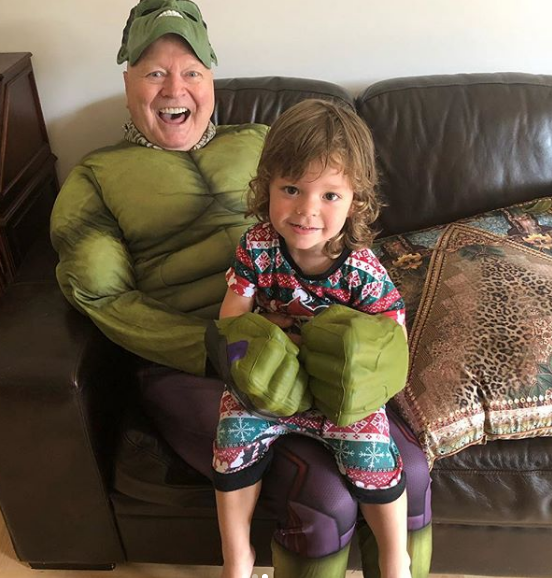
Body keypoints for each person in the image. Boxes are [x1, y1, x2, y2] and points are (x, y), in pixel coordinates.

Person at [49, 1, 432, 576]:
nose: (174, 88)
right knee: (323, 494)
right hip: (198, 361)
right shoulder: (95, 177)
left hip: (311, 341)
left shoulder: (263, 140)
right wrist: (217, 344)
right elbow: (103, 297)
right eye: (154, 71)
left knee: (413, 470)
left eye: (192, 72)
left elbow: (341, 219)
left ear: (212, 80)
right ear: (127, 78)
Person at [212, 98, 411, 578]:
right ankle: (237, 558)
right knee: (230, 436)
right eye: (292, 188)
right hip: (271, 381)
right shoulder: (257, 247)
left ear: (355, 202)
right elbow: (230, 319)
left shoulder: (361, 270)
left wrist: (355, 359)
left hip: (336, 390)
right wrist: (253, 336)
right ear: (266, 188)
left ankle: (393, 558)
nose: (306, 210)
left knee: (374, 452)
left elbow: (392, 333)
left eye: (329, 196)